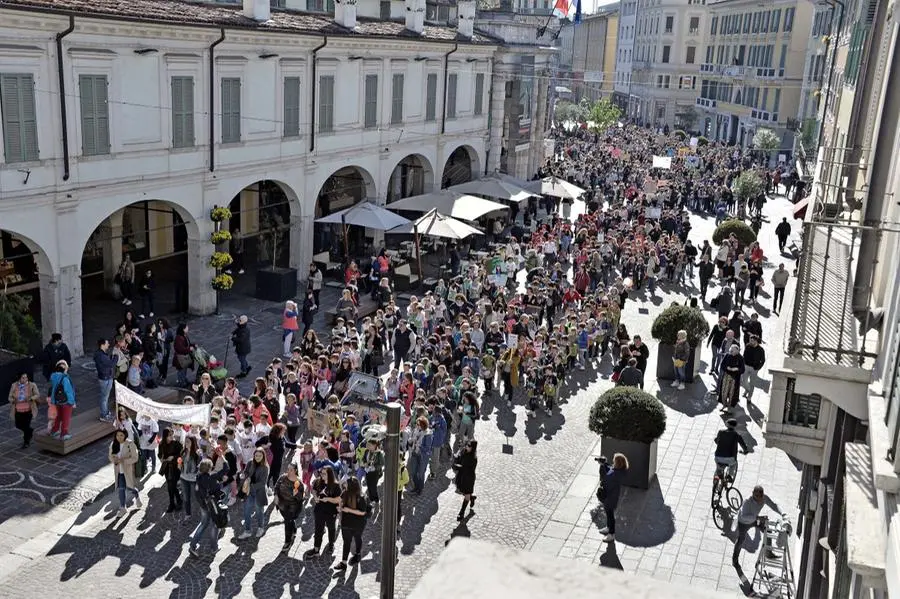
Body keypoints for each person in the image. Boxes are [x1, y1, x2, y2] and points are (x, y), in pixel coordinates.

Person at [733, 485, 781, 565]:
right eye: (757, 496)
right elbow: (743, 516)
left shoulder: (764, 498)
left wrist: (782, 513)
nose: (759, 498)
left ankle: (768, 553)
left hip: (755, 520)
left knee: (767, 531)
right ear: (753, 494)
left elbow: (774, 505)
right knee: (741, 540)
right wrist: (758, 517)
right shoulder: (747, 502)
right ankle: (735, 559)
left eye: (761, 496)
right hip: (743, 523)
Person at [305, 465, 342, 558]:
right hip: (319, 510)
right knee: (318, 530)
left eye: (324, 474)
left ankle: (331, 544)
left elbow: (339, 499)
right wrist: (315, 497)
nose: (322, 475)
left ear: (330, 474)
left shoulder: (335, 485)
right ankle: (316, 549)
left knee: (331, 529)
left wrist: (328, 499)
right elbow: (313, 490)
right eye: (321, 473)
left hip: (331, 511)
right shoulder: (318, 481)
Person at [333, 476, 370, 571]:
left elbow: (362, 512)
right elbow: (340, 501)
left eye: (346, 483)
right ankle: (343, 562)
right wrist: (340, 508)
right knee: (346, 542)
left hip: (358, 523)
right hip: (346, 523)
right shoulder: (345, 493)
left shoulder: (361, 497)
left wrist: (348, 510)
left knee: (358, 538)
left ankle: (357, 554)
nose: (344, 484)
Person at [109, 428, 142, 518]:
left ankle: (136, 495)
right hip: (119, 471)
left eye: (121, 435)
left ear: (125, 436)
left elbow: (135, 458)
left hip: (128, 470)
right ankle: (123, 508)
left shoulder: (130, 444)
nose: (119, 437)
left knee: (130, 488)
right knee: (121, 489)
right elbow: (110, 456)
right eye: (117, 435)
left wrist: (123, 460)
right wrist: (115, 460)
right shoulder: (113, 444)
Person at [237, 448, 269, 539]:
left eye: (260, 455)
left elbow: (262, 483)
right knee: (247, 511)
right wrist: (243, 476)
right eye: (256, 455)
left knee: (259, 512)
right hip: (248, 492)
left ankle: (260, 528)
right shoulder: (250, 462)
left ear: (263, 456)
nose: (258, 457)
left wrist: (251, 486)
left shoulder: (265, 467)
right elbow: (246, 472)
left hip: (258, 493)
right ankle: (247, 531)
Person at [274, 463, 305, 553]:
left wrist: (297, 495)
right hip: (282, 505)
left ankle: (287, 541)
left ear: (295, 470)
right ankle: (294, 529)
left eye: (291, 470)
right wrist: (276, 496)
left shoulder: (299, 483)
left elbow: (300, 499)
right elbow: (276, 487)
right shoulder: (282, 477)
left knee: (287, 523)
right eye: (288, 469)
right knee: (289, 521)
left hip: (292, 508)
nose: (288, 471)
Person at [598, 453, 628, 543]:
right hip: (610, 495)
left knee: (610, 515)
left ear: (617, 463)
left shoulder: (616, 474)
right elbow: (610, 469)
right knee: (608, 512)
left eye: (614, 460)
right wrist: (604, 464)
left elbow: (606, 480)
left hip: (611, 496)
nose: (613, 461)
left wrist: (602, 468)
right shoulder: (617, 470)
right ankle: (608, 527)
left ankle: (611, 534)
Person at [8, 372, 39, 448]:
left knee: (26, 425)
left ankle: (26, 442)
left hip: (28, 409)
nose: (25, 379)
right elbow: (9, 397)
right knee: (18, 425)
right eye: (23, 377)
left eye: (26, 377)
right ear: (19, 378)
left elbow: (37, 394)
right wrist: (13, 400)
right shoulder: (14, 385)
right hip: (18, 410)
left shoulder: (32, 385)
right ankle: (30, 431)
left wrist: (31, 398)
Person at [47, 360, 76, 440]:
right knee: (66, 417)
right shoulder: (65, 378)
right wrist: (72, 402)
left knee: (59, 416)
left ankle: (54, 430)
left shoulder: (54, 377)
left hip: (57, 401)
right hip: (66, 401)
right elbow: (68, 391)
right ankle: (64, 433)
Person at [158, 427, 184, 512]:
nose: (171, 437)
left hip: (175, 467)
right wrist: (161, 458)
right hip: (166, 467)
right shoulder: (162, 444)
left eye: (171, 435)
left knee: (171, 486)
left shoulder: (176, 443)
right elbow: (159, 454)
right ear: (165, 436)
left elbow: (181, 455)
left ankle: (172, 503)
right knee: (171, 486)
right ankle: (178, 501)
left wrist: (173, 457)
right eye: (169, 435)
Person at [453, 439, 478, 521]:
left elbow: (467, 469)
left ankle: (461, 512)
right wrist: (456, 458)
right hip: (462, 476)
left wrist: (458, 467)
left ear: (473, 448)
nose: (467, 446)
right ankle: (472, 498)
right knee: (464, 492)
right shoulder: (464, 451)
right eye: (467, 444)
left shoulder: (474, 459)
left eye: (469, 446)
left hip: (469, 478)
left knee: (466, 494)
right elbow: (459, 459)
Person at [718, 344, 745, 412]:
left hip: (735, 378)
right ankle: (724, 405)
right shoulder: (727, 355)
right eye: (730, 350)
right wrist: (727, 368)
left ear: (737, 351)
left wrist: (736, 369)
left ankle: (729, 407)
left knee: (732, 394)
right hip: (726, 376)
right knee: (724, 392)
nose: (731, 352)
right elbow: (722, 365)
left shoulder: (740, 358)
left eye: (732, 351)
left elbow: (742, 369)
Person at [742, 335, 766, 401]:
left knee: (752, 383)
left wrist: (758, 367)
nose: (750, 342)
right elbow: (744, 355)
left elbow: (763, 360)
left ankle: (749, 397)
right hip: (746, 366)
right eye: (750, 340)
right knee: (744, 381)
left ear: (756, 341)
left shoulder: (761, 350)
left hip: (754, 368)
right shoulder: (748, 346)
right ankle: (747, 389)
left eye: (752, 341)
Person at [173, 323, 194, 388]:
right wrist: (189, 349)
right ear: (183, 329)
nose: (188, 328)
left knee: (184, 369)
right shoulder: (179, 338)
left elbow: (187, 344)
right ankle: (181, 383)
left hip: (184, 357)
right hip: (180, 358)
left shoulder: (184, 335)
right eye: (186, 327)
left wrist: (193, 345)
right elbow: (180, 349)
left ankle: (184, 380)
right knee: (181, 370)